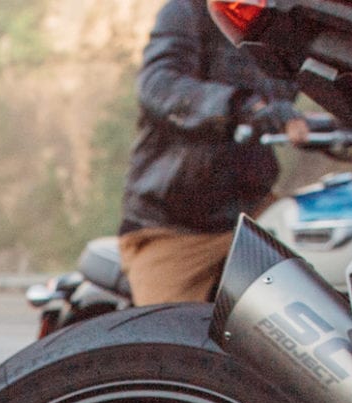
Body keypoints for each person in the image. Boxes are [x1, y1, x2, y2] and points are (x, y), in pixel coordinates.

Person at [119, 0, 308, 306]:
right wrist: (240, 105)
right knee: (169, 340)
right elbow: (159, 85)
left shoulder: (280, 22)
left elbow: (332, 77)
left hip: (254, 212)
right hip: (175, 228)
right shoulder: (187, 11)